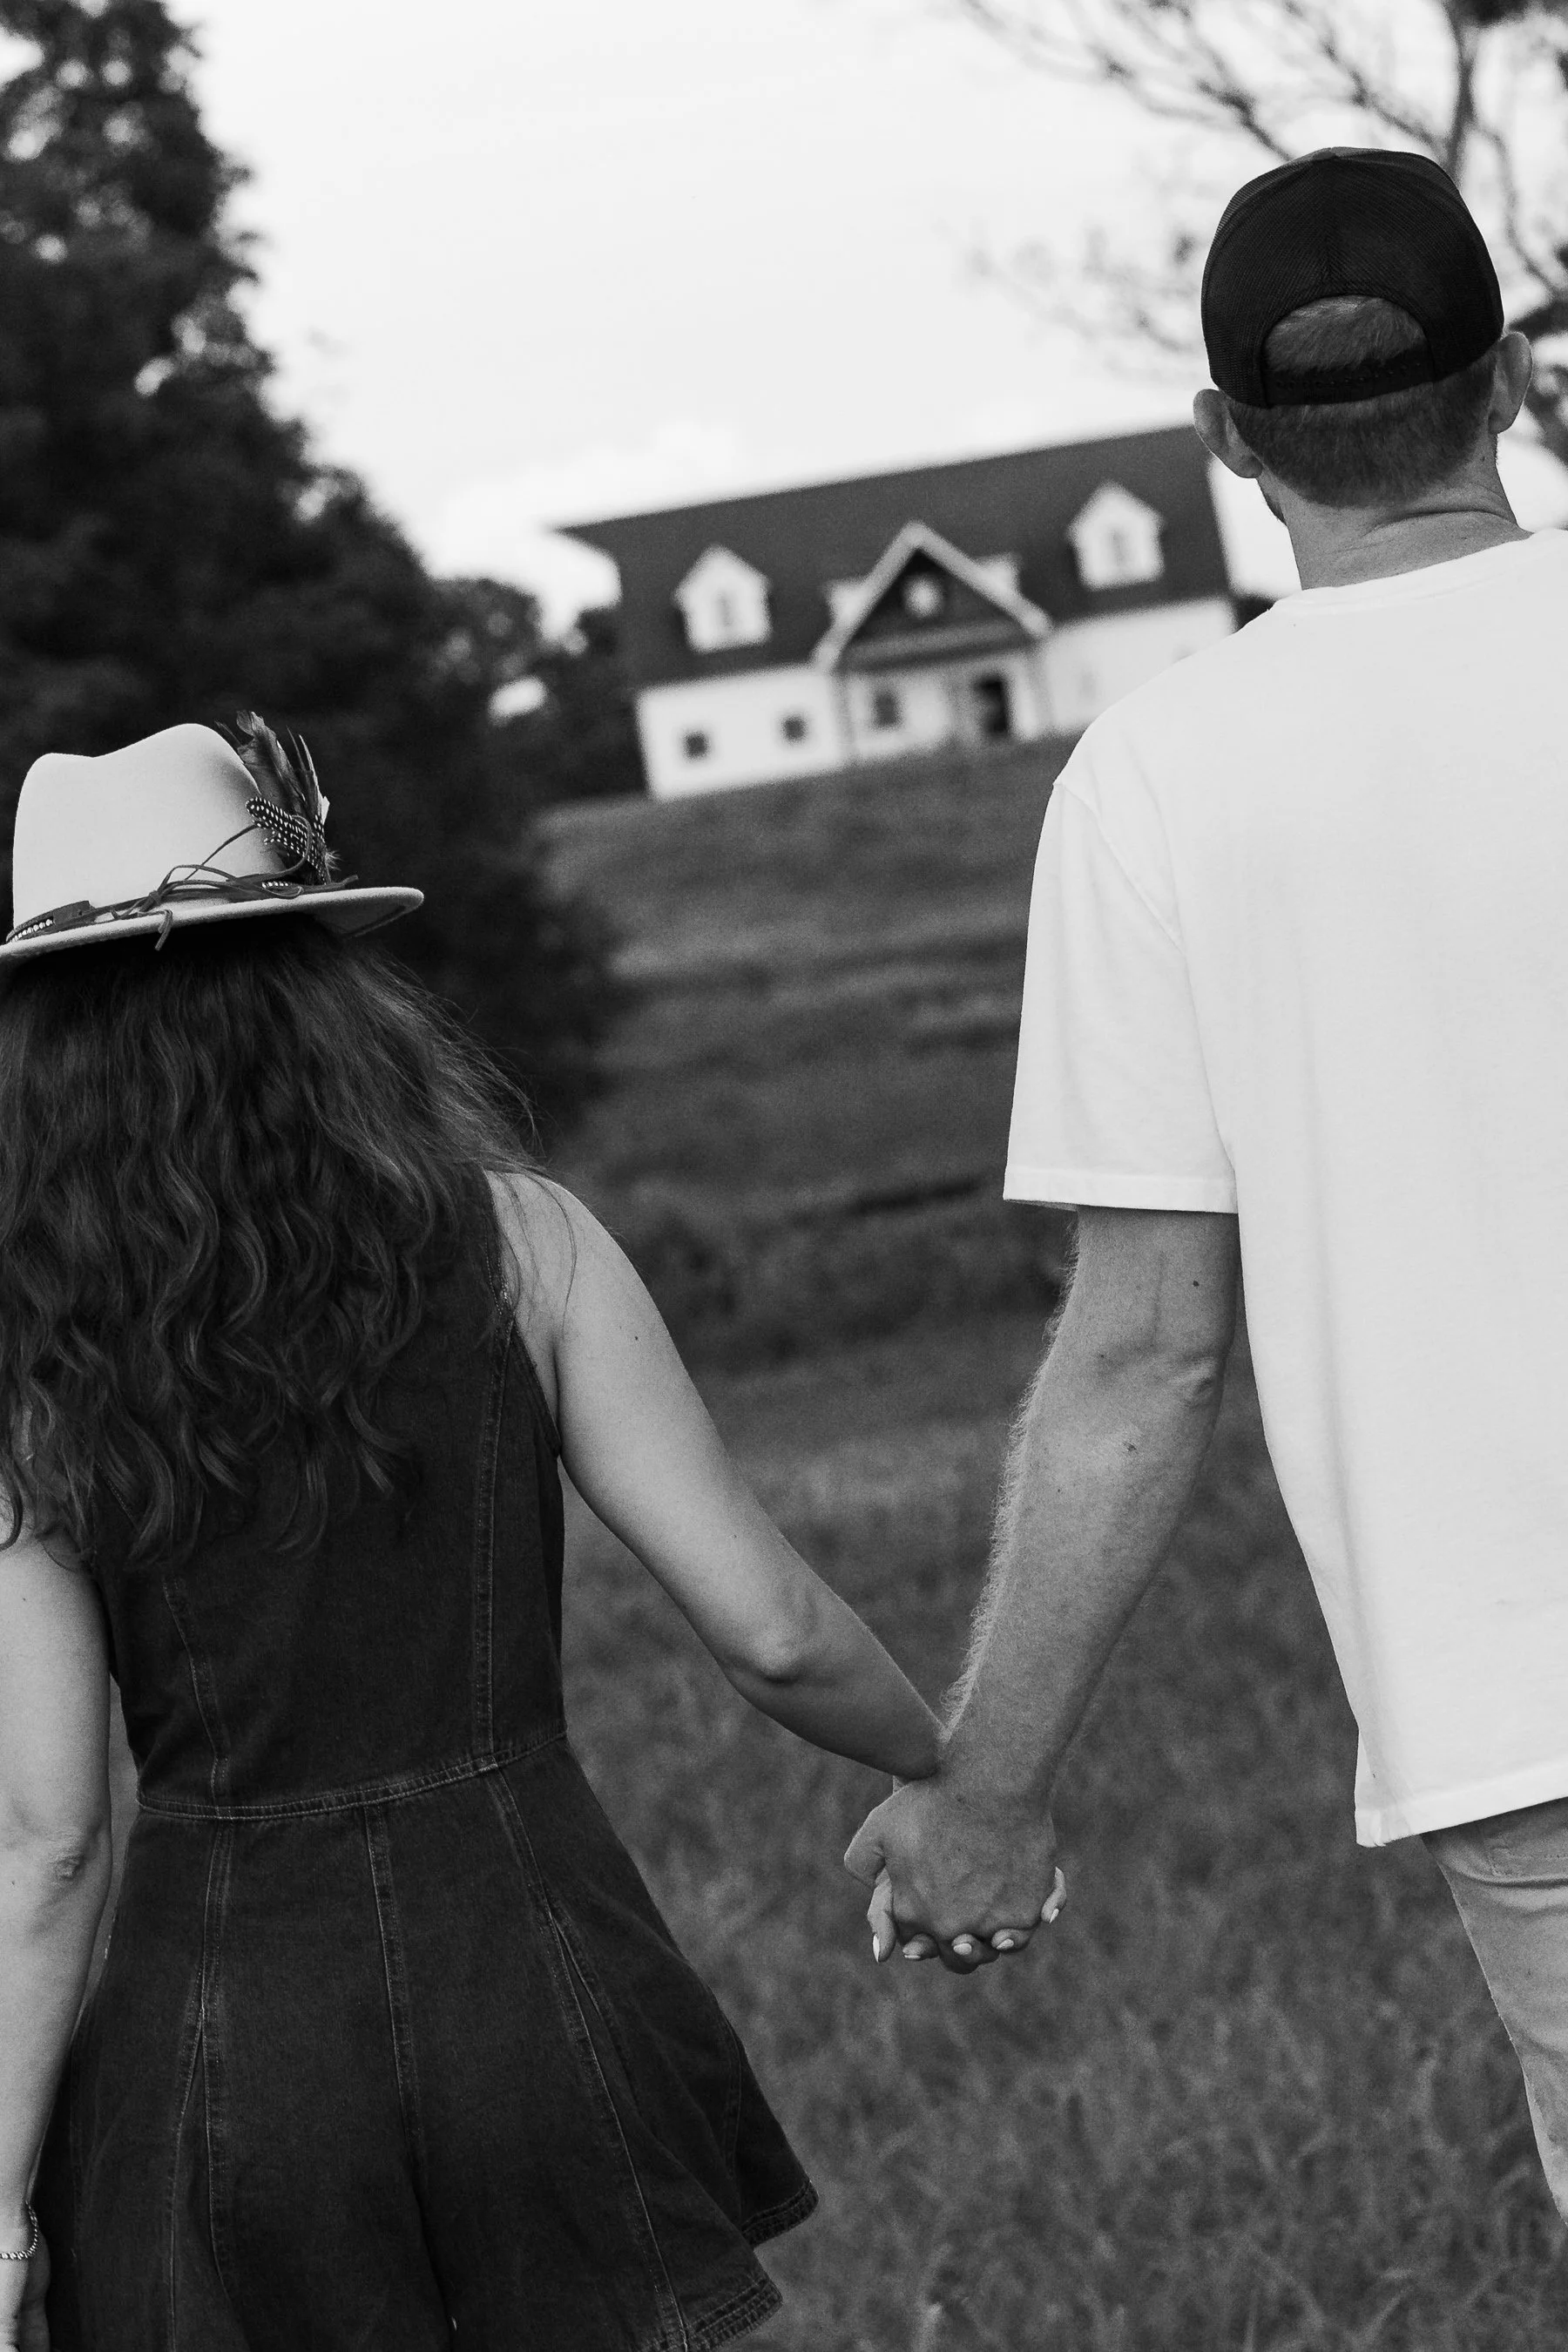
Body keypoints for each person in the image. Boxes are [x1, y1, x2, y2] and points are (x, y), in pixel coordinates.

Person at [0, 714, 950, 2350]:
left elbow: (51, 1839)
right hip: (534, 1984)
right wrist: (945, 1768)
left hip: (225, 2055)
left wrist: (1, 2199)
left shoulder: (27, 1357)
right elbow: (773, 1629)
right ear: (317, 977)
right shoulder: (526, 1241)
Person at [846, 144, 1568, 2220]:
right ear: (1506, 379)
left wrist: (989, 1790)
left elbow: (1146, 1354)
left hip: (1523, 1708)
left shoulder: (1158, 780)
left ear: (1224, 441)